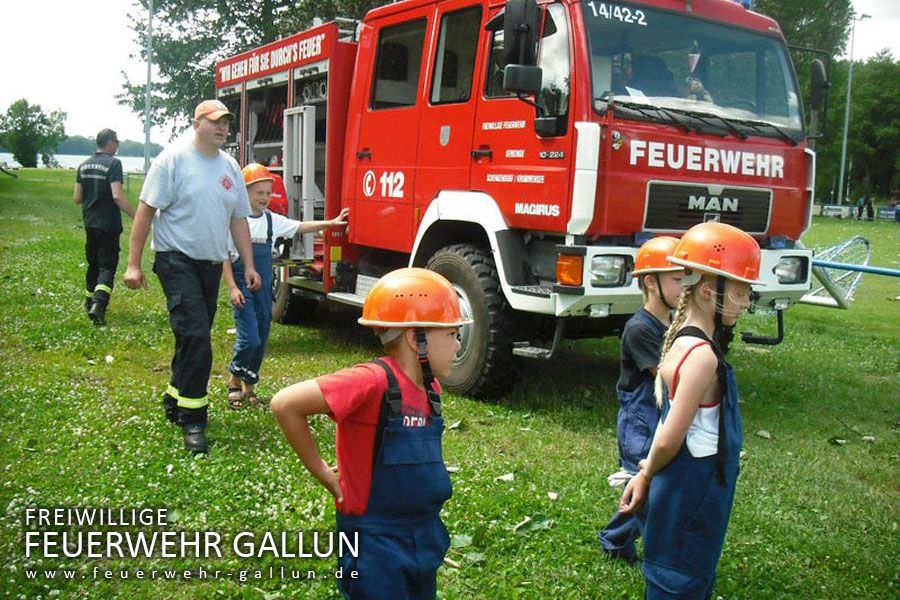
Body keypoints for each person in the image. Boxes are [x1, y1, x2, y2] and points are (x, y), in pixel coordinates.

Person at [271, 268, 470, 599]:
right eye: (451, 334)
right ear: (414, 337)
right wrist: (322, 471)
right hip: (375, 544)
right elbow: (285, 404)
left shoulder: (430, 387)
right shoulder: (370, 382)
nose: (458, 343)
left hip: (424, 534)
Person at [619, 222, 762, 598]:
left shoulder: (682, 339)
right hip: (693, 489)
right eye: (741, 291)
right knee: (680, 574)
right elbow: (668, 437)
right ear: (706, 291)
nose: (745, 303)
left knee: (680, 564)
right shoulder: (701, 359)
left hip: (690, 483)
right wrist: (646, 474)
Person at [123, 99, 262, 453]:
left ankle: (174, 395)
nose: (223, 128)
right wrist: (133, 264)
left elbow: (238, 219)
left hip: (212, 265)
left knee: (191, 336)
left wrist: (247, 264)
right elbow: (145, 212)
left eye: (227, 123)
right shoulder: (172, 160)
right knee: (197, 335)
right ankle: (194, 418)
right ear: (197, 123)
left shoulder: (230, 166)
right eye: (215, 122)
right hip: (176, 260)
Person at [224, 163, 349, 408]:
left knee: (261, 336)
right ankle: (233, 380)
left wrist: (331, 223)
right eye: (259, 193)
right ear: (245, 192)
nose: (265, 198)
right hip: (242, 286)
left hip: (263, 289)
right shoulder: (236, 222)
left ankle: (249, 386)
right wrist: (232, 287)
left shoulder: (272, 221)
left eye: (269, 193)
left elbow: (301, 227)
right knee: (249, 339)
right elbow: (224, 258)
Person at [599, 236, 684, 563]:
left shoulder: (674, 323)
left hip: (659, 416)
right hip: (641, 418)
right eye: (677, 279)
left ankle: (615, 540)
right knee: (649, 489)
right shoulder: (640, 328)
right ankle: (662, 556)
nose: (683, 287)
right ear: (651, 282)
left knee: (647, 488)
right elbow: (666, 376)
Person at [74, 128, 136, 326]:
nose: (117, 146)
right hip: (108, 225)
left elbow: (77, 198)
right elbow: (117, 195)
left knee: (93, 264)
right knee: (107, 266)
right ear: (110, 143)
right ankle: (99, 305)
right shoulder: (113, 164)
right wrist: (136, 216)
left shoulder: (83, 165)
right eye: (116, 142)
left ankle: (88, 301)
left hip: (90, 223)